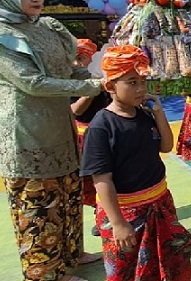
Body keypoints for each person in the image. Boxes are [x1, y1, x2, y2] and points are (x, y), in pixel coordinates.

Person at [0, 0, 103, 281]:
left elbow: (69, 70)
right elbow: (33, 83)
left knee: (67, 196)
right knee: (38, 206)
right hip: (26, 133)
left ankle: (72, 254)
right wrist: (93, 87)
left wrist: (105, 78)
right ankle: (45, 273)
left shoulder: (45, 27)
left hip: (60, 126)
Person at [81, 45, 191, 281]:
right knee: (128, 271)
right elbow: (102, 180)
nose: (141, 88)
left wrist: (159, 113)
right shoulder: (102, 126)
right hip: (125, 212)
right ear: (111, 86)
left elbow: (165, 146)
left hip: (159, 203)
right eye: (132, 82)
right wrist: (118, 223)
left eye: (143, 81)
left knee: (169, 263)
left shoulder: (143, 114)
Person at [70, 39, 112, 236]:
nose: (77, 64)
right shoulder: (73, 83)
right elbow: (75, 111)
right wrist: (93, 89)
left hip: (106, 133)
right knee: (90, 180)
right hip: (83, 136)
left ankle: (109, 213)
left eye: (82, 58)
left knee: (110, 176)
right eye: (74, 59)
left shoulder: (107, 78)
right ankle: (101, 213)